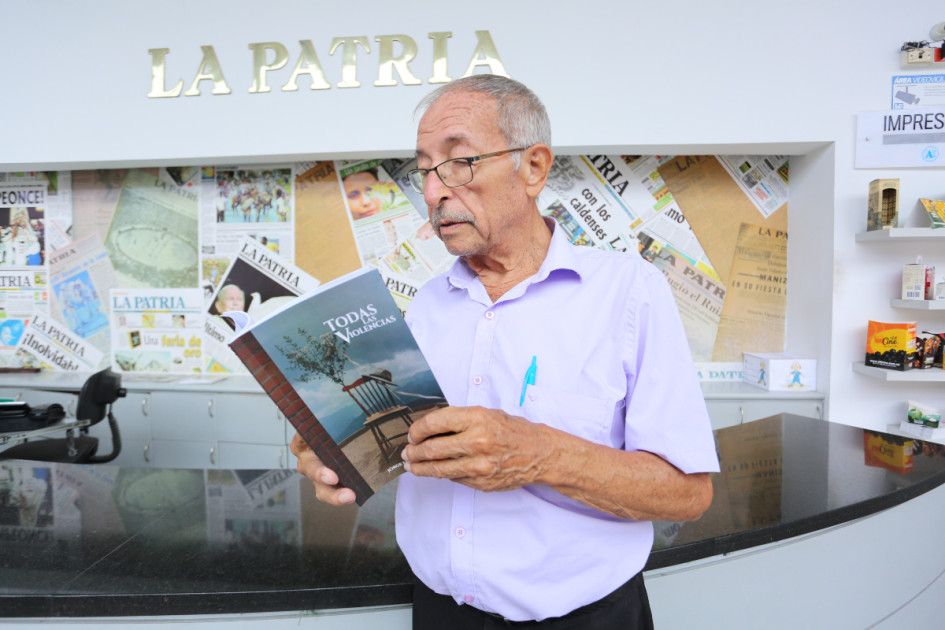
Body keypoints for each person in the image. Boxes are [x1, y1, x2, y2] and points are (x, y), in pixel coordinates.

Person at [291, 75, 719, 628]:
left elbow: (687, 494)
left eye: (459, 162)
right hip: (440, 612)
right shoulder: (425, 304)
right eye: (424, 168)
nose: (433, 191)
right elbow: (403, 449)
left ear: (534, 167)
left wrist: (539, 454)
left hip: (586, 617)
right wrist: (335, 453)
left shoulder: (630, 293)